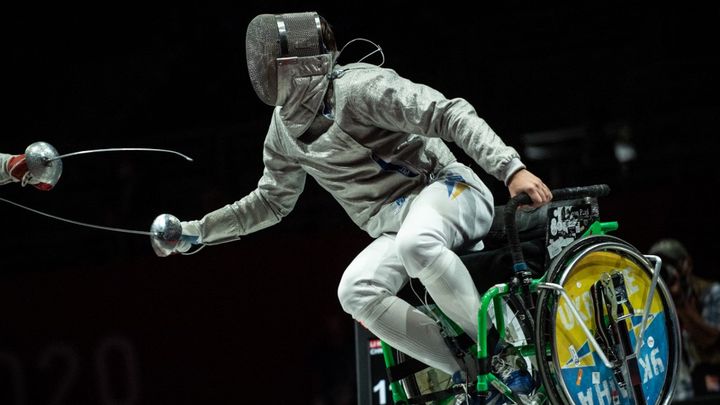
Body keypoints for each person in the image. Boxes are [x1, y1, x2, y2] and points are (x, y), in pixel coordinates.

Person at [157, 12, 552, 402]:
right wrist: (199, 231)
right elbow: (270, 201)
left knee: (417, 241)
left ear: (302, 63)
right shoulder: (282, 132)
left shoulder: (361, 88)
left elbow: (446, 112)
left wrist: (509, 168)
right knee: (356, 290)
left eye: (275, 63)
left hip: (450, 189)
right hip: (396, 225)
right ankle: (469, 373)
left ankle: (508, 355)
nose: (266, 72)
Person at [649, 238, 720, 400]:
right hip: (678, 395)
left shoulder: (710, 293)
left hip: (709, 392)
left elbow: (709, 338)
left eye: (670, 264)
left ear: (686, 264)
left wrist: (679, 303)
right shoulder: (656, 304)